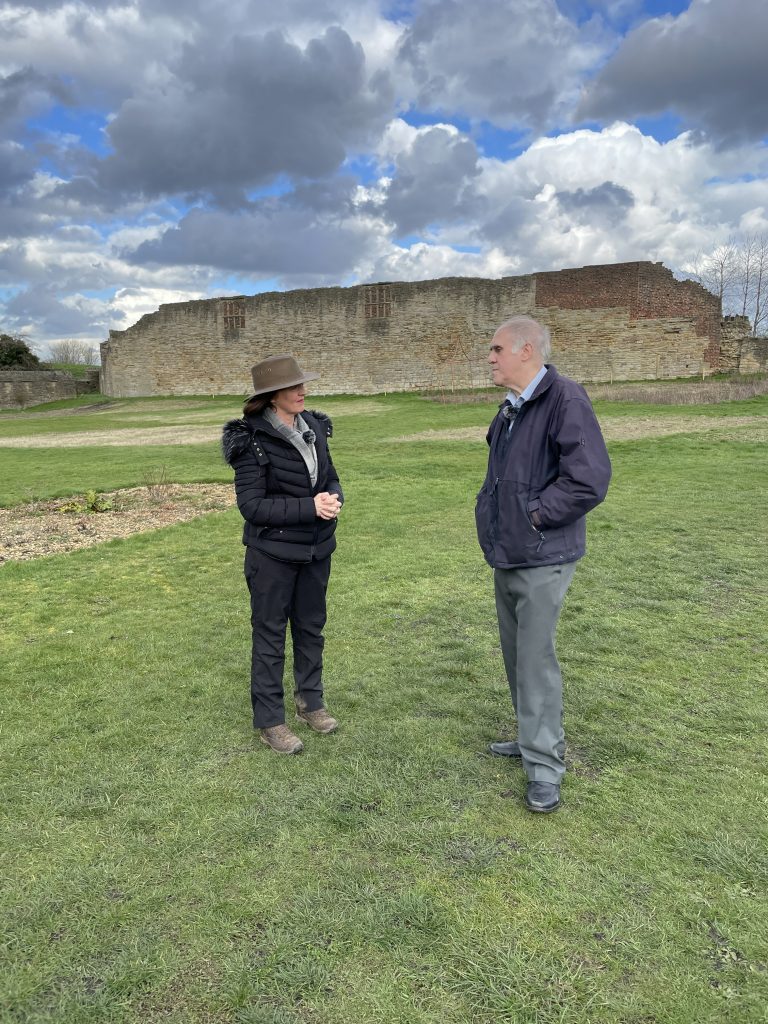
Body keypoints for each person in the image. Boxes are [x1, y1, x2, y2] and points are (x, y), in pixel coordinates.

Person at [475, 316, 611, 813]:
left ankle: (545, 765)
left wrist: (534, 517)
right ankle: (531, 737)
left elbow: (588, 479)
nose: (489, 357)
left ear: (525, 350)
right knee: (516, 656)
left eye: (495, 349)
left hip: (541, 553)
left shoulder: (566, 399)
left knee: (535, 660)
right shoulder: (512, 406)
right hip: (509, 551)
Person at [222, 354, 343, 754]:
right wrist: (311, 507)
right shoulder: (251, 441)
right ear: (272, 397)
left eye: (303, 384)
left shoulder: (315, 428)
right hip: (271, 555)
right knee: (270, 635)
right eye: (293, 387)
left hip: (316, 549)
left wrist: (333, 500)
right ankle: (271, 720)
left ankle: (311, 702)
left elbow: (330, 478)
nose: (302, 391)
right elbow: (252, 506)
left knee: (311, 628)